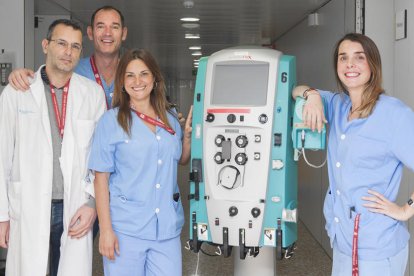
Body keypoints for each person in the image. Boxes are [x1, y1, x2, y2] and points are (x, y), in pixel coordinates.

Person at [293, 33, 414, 275]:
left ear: (373, 65)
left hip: (376, 247)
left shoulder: (393, 114)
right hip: (342, 238)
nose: (350, 64)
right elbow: (296, 89)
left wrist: (405, 210)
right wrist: (313, 96)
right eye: (343, 58)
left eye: (359, 57)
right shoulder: (338, 104)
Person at [0, 19, 106, 276]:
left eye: (75, 46)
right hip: (28, 204)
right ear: (46, 45)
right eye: (61, 43)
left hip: (75, 206)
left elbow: (101, 157)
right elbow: (2, 156)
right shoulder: (17, 92)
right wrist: (2, 215)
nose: (68, 52)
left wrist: (92, 204)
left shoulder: (93, 94)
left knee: (69, 269)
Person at [88, 48, 192, 276]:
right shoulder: (110, 122)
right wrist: (105, 230)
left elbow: (181, 160)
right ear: (122, 81)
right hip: (126, 229)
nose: (137, 81)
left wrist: (188, 139)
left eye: (144, 74)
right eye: (130, 75)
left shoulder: (171, 120)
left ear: (154, 79)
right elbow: (101, 179)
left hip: (166, 229)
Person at [8, 5, 127, 108]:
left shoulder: (134, 72)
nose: (107, 33)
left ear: (124, 33)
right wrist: (20, 75)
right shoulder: (71, 68)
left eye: (114, 27)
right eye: (101, 26)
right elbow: (47, 75)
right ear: (90, 33)